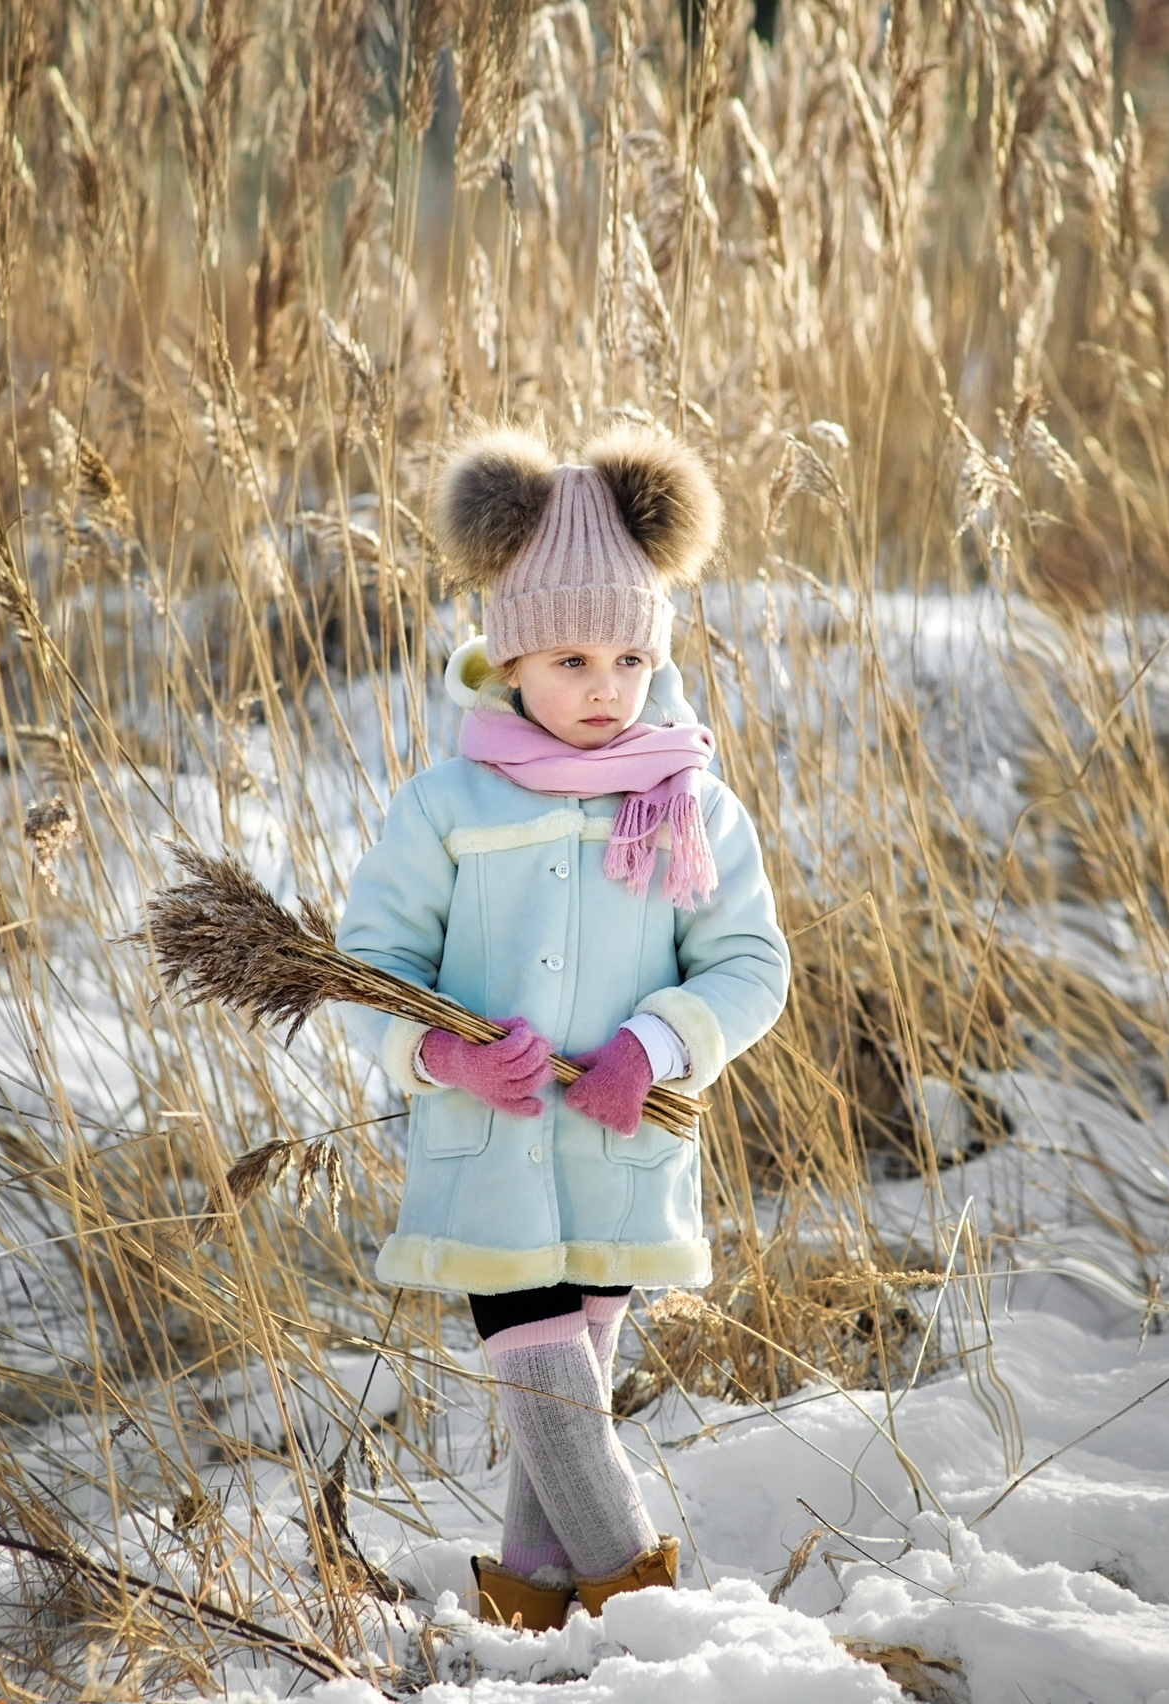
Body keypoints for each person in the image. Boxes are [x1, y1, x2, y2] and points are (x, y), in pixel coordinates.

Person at [336, 424, 789, 1631]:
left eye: (630, 657)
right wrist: (439, 1052)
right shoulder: (445, 805)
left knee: (566, 1400)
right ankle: (651, 1609)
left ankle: (533, 1612)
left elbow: (750, 963)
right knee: (540, 1369)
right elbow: (366, 967)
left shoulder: (688, 801)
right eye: (572, 656)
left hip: (620, 1148)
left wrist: (658, 1043)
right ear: (508, 656)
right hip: (486, 1157)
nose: (604, 687)